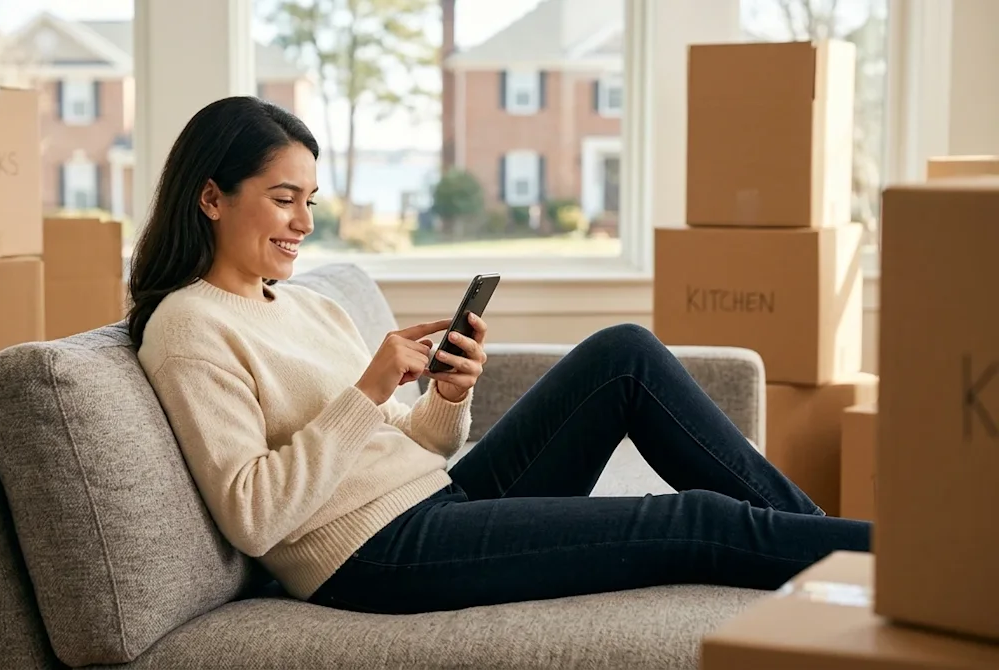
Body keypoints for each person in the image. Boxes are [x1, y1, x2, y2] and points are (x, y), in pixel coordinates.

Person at [128, 96, 871, 616]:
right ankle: (900, 570)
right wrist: (367, 390)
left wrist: (447, 397)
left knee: (624, 355)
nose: (304, 223)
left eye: (311, 201)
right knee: (695, 522)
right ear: (212, 198)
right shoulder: (189, 327)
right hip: (374, 556)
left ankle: (822, 549)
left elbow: (412, 446)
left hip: (436, 498)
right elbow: (253, 516)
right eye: (284, 198)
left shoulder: (307, 304)